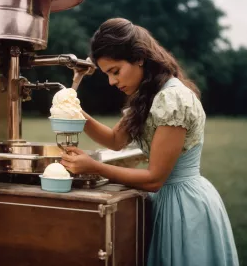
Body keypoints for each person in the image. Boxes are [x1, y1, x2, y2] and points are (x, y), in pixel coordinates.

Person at [60, 18, 239, 266]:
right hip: (167, 202)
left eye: (115, 71)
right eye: (107, 74)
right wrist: (72, 110)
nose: (112, 82)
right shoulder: (146, 97)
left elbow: (155, 179)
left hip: (185, 207)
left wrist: (94, 166)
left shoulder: (172, 98)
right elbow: (114, 140)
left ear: (140, 58)